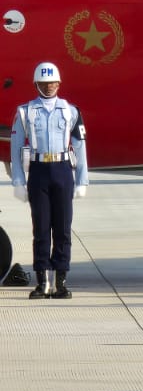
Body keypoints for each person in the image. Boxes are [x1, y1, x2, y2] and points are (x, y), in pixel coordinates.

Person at [10, 62, 87, 299]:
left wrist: (82, 179)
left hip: (63, 170)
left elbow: (80, 146)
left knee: (63, 229)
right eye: (44, 83)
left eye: (52, 82)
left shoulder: (71, 111)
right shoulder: (25, 112)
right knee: (41, 229)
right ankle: (42, 281)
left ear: (59, 83)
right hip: (39, 171)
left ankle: (61, 281)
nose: (49, 87)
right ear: (36, 84)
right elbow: (15, 148)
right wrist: (19, 181)